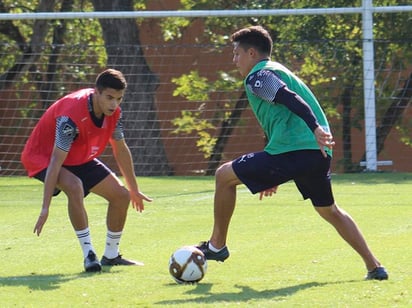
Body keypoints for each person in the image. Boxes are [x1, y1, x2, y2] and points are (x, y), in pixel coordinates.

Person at [197, 26, 388, 280]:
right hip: (316, 153)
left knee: (223, 175)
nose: (234, 61)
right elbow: (282, 114)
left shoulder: (259, 76)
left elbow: (289, 99)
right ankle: (375, 267)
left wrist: (315, 128)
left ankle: (216, 246)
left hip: (295, 151)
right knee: (329, 210)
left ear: (251, 53)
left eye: (236, 54)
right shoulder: (281, 71)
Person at [21, 69, 152, 272]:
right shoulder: (70, 116)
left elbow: (120, 148)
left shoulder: (115, 113)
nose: (114, 104)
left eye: (119, 99)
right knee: (75, 186)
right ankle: (89, 254)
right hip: (43, 157)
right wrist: (45, 207)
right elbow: (56, 161)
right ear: (96, 92)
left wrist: (133, 188)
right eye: (109, 97)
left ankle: (111, 255)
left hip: (77, 156)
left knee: (121, 196)